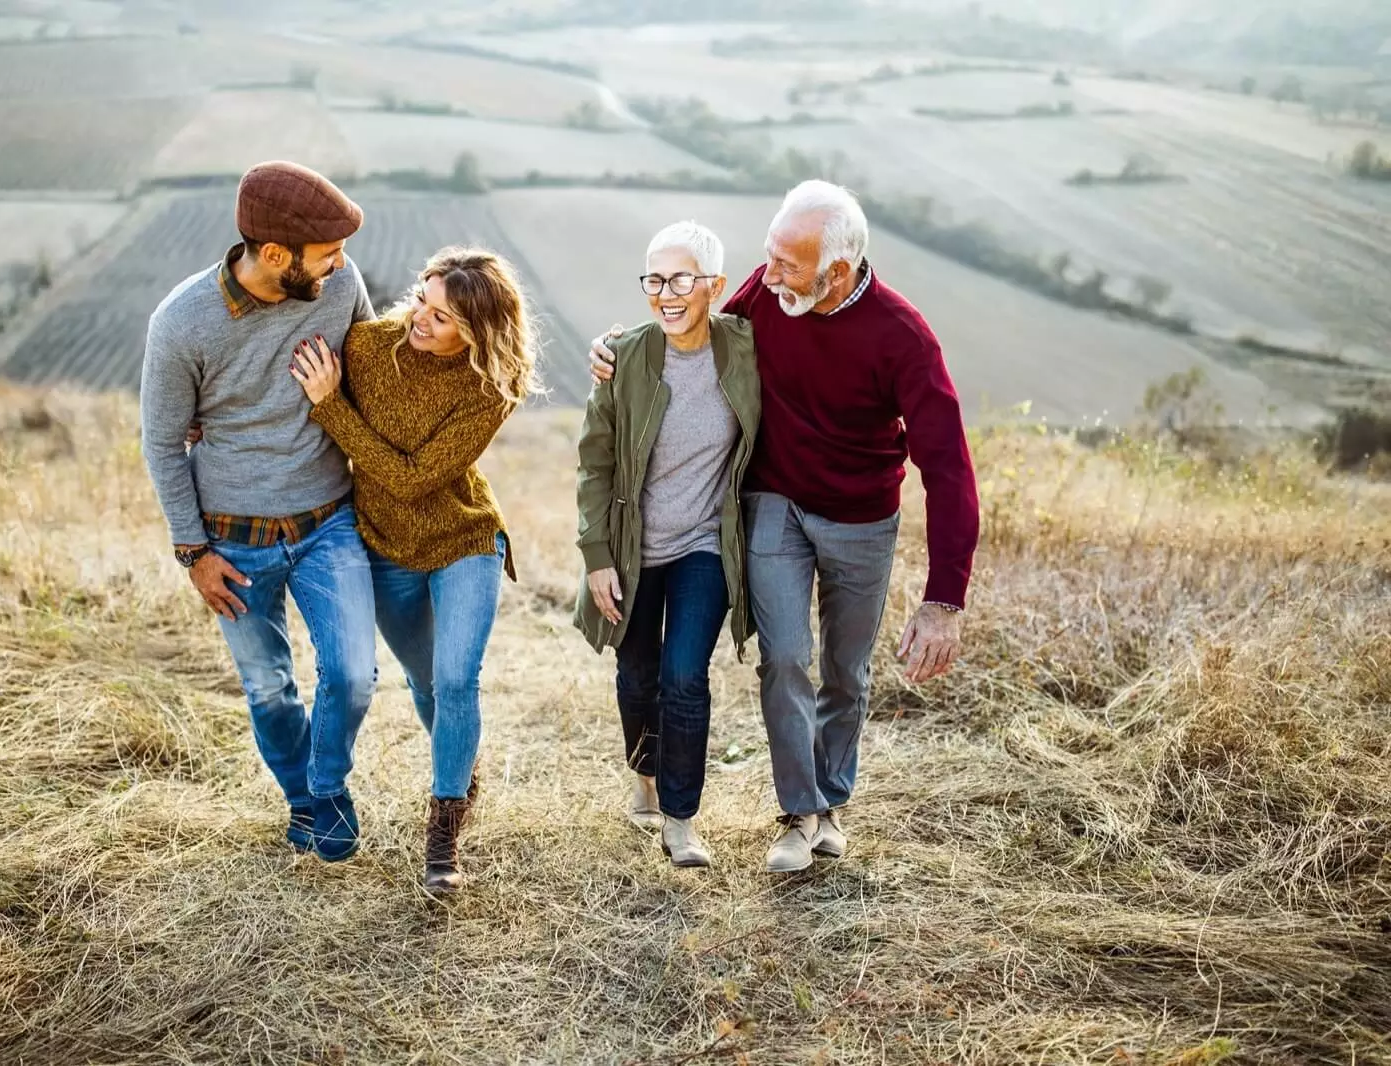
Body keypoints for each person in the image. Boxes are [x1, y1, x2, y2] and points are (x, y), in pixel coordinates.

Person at [590, 180, 980, 874]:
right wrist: (620, 348)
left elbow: (949, 467)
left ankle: (831, 805)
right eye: (768, 256)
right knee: (787, 657)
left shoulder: (902, 336)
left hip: (862, 519)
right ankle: (799, 815)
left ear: (837, 272)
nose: (767, 276)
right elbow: (694, 329)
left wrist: (944, 600)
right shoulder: (767, 294)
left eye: (786, 265)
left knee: (846, 671)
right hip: (774, 502)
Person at [141, 161, 378, 864]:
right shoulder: (182, 322)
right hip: (232, 544)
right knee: (270, 689)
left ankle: (326, 789)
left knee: (354, 675)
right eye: (326, 253)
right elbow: (161, 443)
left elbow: (378, 375)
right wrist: (193, 552)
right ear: (276, 255)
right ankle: (306, 805)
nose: (341, 265)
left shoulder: (342, 287)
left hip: (328, 522)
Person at [290, 247, 539, 894]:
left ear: (477, 332)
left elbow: (411, 479)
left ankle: (443, 834)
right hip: (384, 547)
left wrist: (332, 408)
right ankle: (462, 766)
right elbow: (284, 382)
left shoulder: (490, 387)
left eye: (442, 317)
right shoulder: (369, 348)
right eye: (422, 302)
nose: (419, 321)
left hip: (464, 538)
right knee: (426, 683)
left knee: (456, 680)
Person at [573, 221, 759, 869]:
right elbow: (594, 463)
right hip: (633, 548)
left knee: (684, 676)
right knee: (636, 676)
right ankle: (645, 779)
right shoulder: (624, 356)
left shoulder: (746, 349)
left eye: (681, 279)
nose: (665, 293)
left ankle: (681, 820)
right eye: (654, 279)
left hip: (705, 544)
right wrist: (597, 556)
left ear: (714, 285)